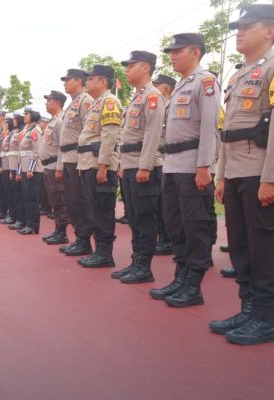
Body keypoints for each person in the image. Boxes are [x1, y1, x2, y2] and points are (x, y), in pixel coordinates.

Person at [210, 4, 274, 345]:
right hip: (235, 172)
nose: (239, 32)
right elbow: (227, 131)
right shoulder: (239, 74)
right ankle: (248, 307)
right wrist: (221, 175)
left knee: (263, 246)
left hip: (258, 172)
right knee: (240, 244)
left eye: (248, 27)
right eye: (238, 27)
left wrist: (271, 177)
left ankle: (265, 315)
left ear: (270, 31)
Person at [149, 33, 219, 307]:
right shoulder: (180, 86)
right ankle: (181, 275)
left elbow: (209, 128)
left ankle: (193, 285)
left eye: (178, 51)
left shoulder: (206, 82)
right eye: (172, 51)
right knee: (175, 224)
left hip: (192, 165)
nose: (173, 55)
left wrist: (204, 167)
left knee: (195, 226)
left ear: (195, 52)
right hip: (172, 165)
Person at [111, 51, 165, 283]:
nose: (127, 69)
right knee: (133, 216)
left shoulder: (153, 96)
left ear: (145, 68)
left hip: (145, 167)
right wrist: (124, 164)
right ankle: (136, 261)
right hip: (131, 165)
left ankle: (144, 267)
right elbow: (126, 137)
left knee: (144, 216)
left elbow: (153, 134)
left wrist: (145, 166)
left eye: (131, 65)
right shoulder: (135, 98)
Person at [76, 65, 121, 269]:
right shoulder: (96, 104)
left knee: (102, 210)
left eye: (91, 78)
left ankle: (105, 254)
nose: (87, 82)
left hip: (99, 165)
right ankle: (98, 250)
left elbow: (109, 136)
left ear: (103, 81)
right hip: (89, 163)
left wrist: (103, 166)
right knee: (93, 209)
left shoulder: (110, 102)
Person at [57, 69, 94, 256]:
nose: (65, 83)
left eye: (67, 80)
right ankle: (79, 237)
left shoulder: (85, 101)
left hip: (78, 157)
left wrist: (83, 159)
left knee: (79, 200)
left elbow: (90, 131)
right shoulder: (73, 104)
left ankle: (85, 240)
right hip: (68, 157)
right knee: (71, 200)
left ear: (78, 81)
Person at [39, 91, 70, 245]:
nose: (46, 103)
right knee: (54, 201)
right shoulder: (53, 121)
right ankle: (58, 230)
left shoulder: (61, 121)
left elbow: (62, 146)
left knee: (59, 200)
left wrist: (59, 168)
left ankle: (62, 232)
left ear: (57, 102)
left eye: (49, 100)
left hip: (54, 165)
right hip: (47, 166)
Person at [152, 73, 177, 256]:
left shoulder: (172, 104)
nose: (154, 89)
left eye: (157, 86)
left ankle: (168, 239)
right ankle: (164, 237)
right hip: (161, 157)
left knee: (167, 204)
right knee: (162, 202)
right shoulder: (163, 104)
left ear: (166, 89)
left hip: (168, 158)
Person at [18, 108, 44, 235]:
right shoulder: (27, 130)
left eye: (27, 114)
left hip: (32, 169)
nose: (25, 116)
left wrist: (30, 169)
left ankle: (33, 225)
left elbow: (36, 150)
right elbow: (22, 153)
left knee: (32, 198)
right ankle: (28, 223)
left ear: (33, 115)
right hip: (25, 167)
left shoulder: (35, 130)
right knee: (26, 197)